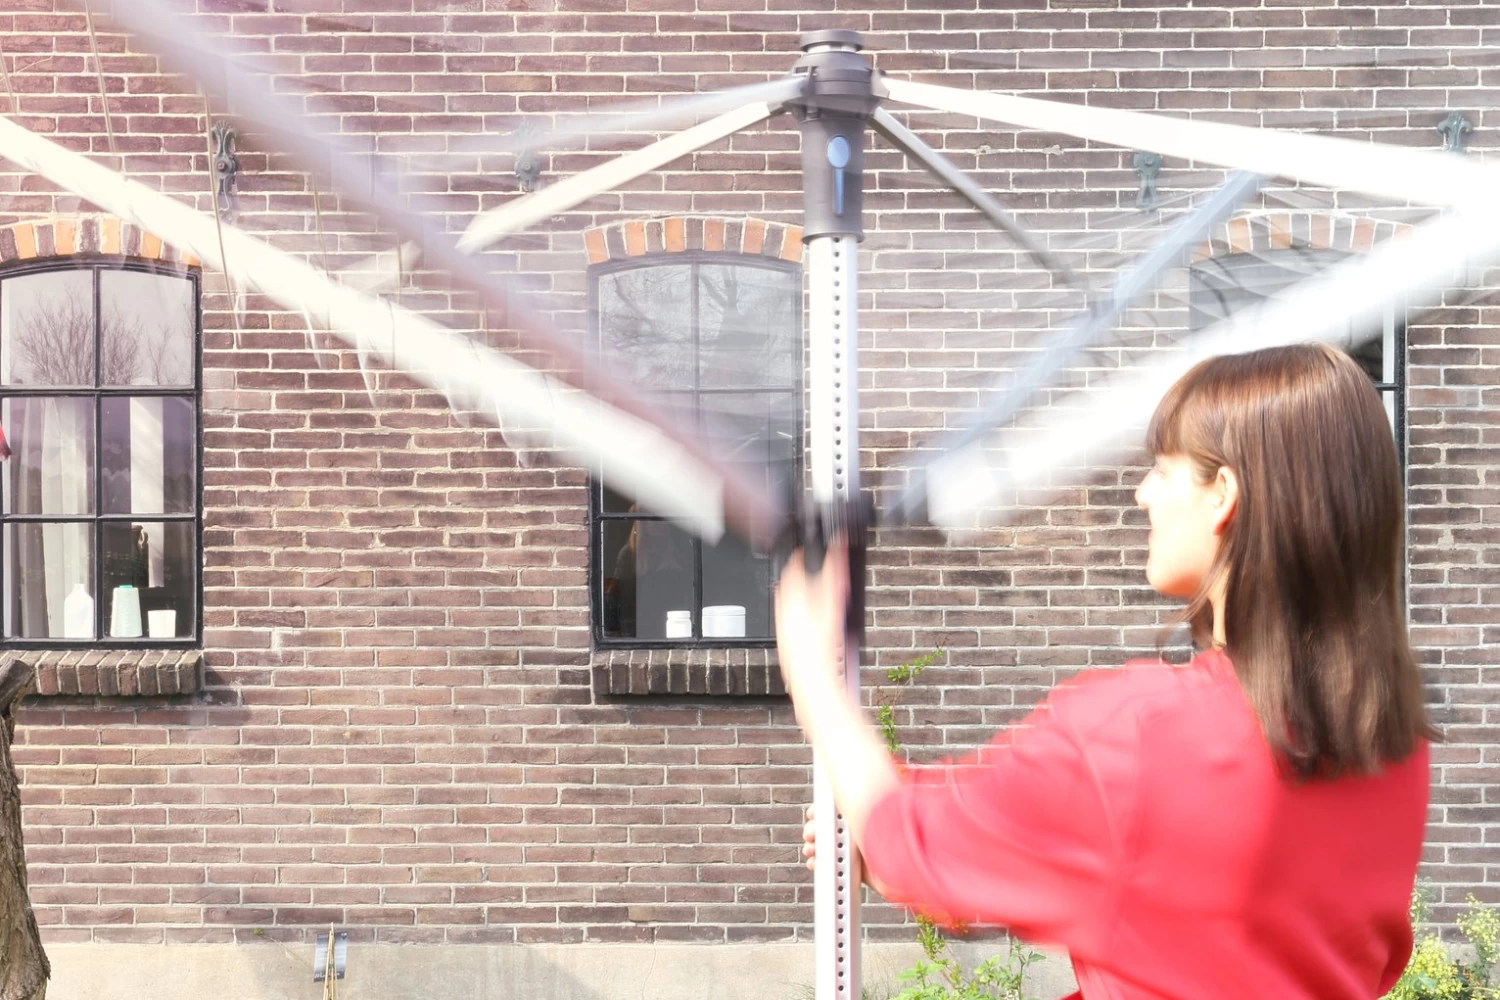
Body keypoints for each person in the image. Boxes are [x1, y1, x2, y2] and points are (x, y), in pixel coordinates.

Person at [775, 343, 1433, 1000]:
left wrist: (814, 676)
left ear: (1222, 496)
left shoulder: (1138, 735)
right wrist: (903, 842)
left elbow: (909, 842)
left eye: (1163, 470)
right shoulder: (1393, 746)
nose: (1143, 494)